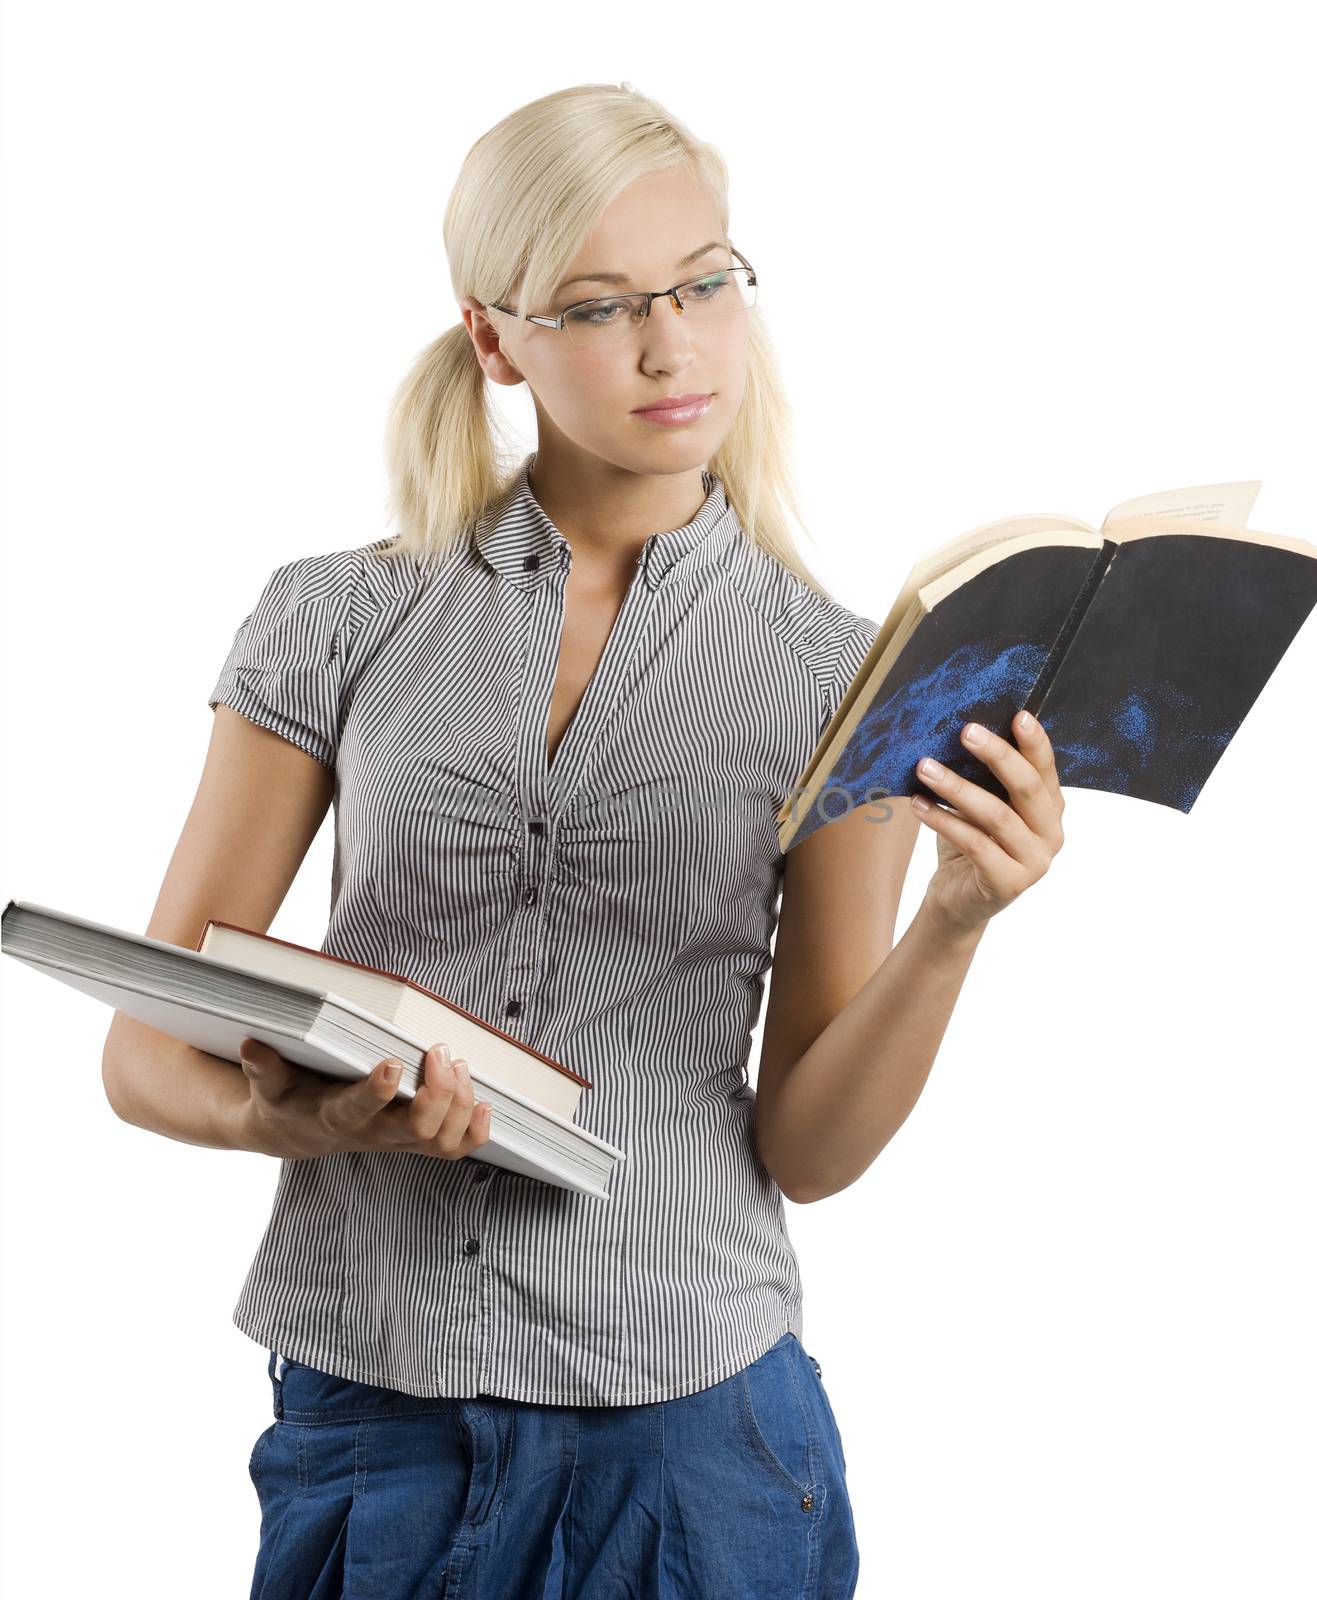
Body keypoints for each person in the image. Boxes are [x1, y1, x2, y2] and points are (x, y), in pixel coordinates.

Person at [101, 81, 1065, 1600]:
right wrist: (300, 1121)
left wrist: (954, 922)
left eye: (703, 284)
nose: (670, 345)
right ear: (496, 340)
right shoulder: (336, 618)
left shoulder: (840, 681)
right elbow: (148, 1049)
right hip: (374, 1410)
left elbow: (807, 1150)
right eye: (600, 305)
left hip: (690, 1438)